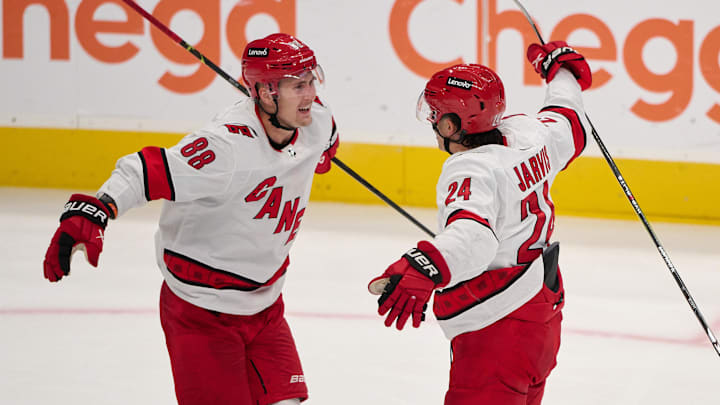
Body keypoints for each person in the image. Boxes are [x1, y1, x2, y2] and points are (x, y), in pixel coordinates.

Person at [43, 33, 339, 405]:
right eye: (298, 85)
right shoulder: (226, 147)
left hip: (265, 308)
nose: (311, 94)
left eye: (312, 80)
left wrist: (320, 154)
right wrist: (95, 210)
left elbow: (325, 146)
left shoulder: (317, 121)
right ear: (266, 93)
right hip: (201, 311)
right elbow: (142, 171)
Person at [368, 41, 593, 404]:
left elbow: (474, 238)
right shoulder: (531, 135)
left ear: (452, 123)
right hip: (541, 315)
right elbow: (568, 116)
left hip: (497, 328)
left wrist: (425, 266)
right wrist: (560, 71)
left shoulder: (470, 168)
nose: (431, 121)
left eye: (435, 114)